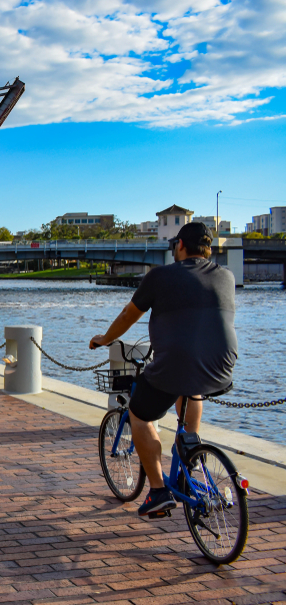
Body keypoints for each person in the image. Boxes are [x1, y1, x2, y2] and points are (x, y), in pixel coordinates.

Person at [89, 222, 236, 518]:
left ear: (180, 245)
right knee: (189, 387)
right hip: (222, 366)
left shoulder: (160, 276)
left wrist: (105, 339)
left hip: (176, 364)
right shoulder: (227, 276)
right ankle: (188, 457)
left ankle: (157, 491)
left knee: (140, 413)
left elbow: (130, 314)